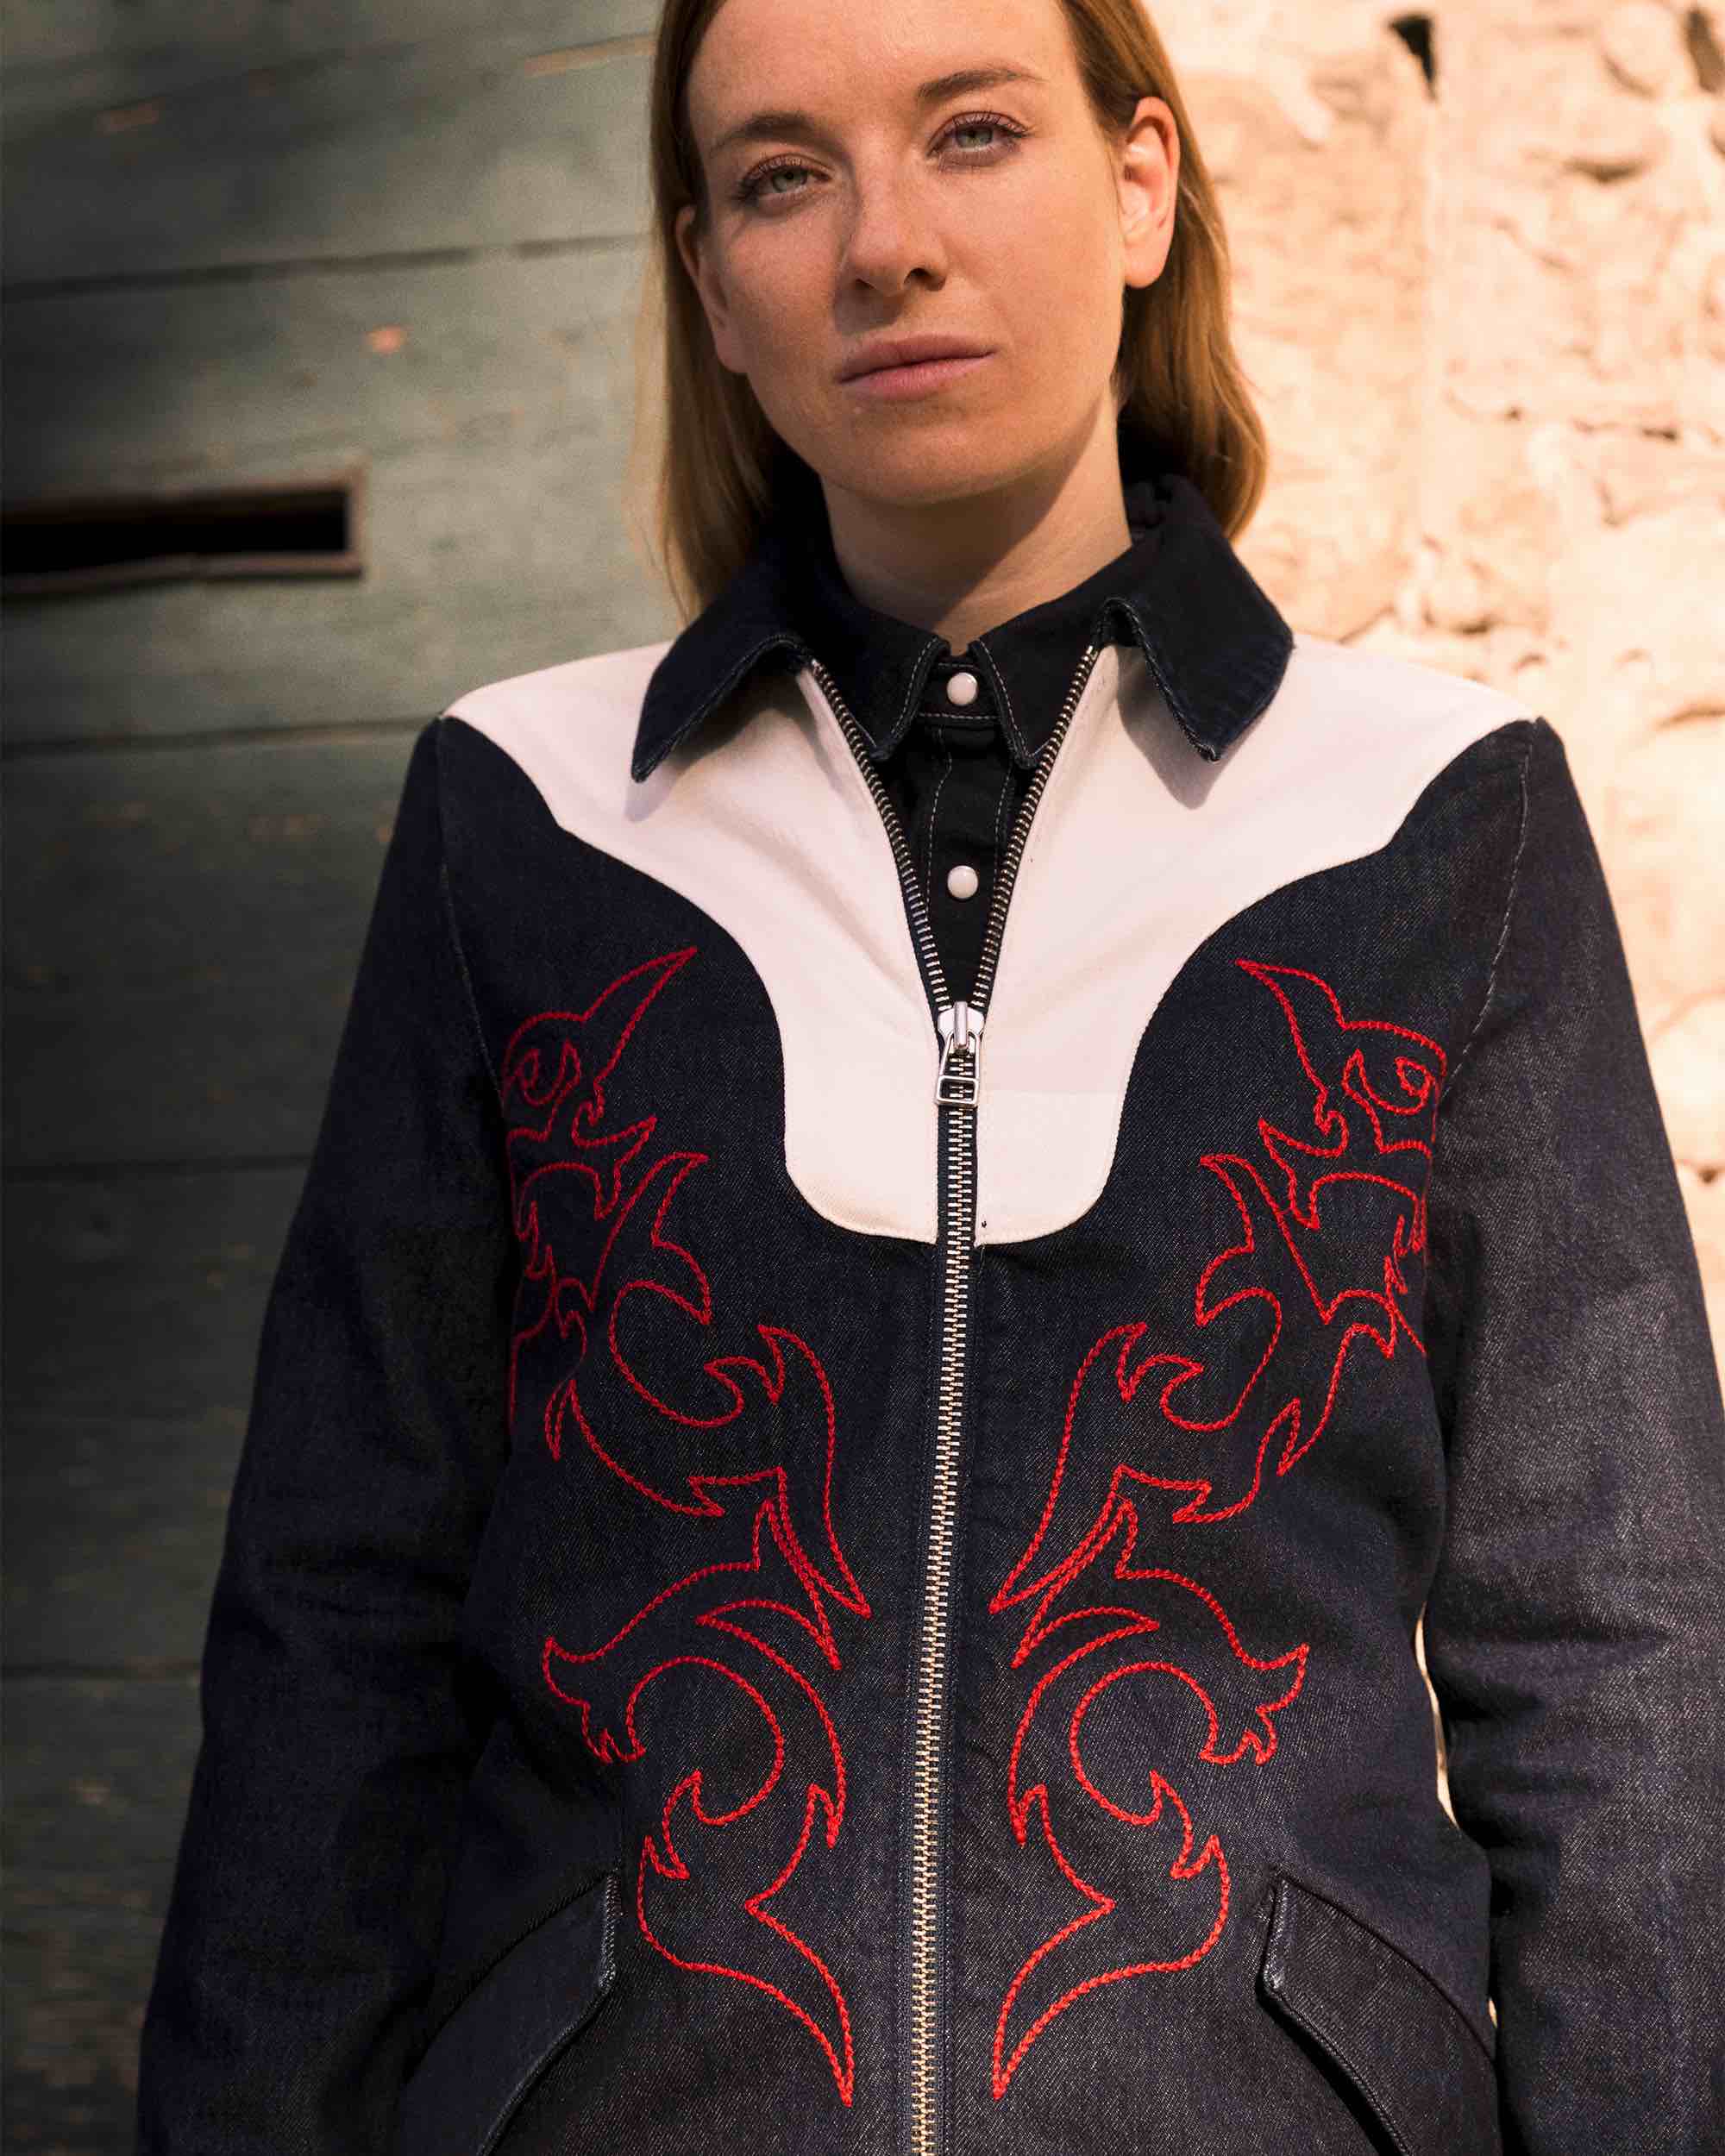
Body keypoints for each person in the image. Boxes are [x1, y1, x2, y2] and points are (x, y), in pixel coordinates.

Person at [135, 0, 1725, 2151]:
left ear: (1141, 184)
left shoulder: (1435, 813)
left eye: (971, 132)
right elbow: (336, 1614)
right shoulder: (528, 815)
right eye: (782, 176)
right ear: (711, 281)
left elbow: (1615, 1641)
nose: (882, 240)